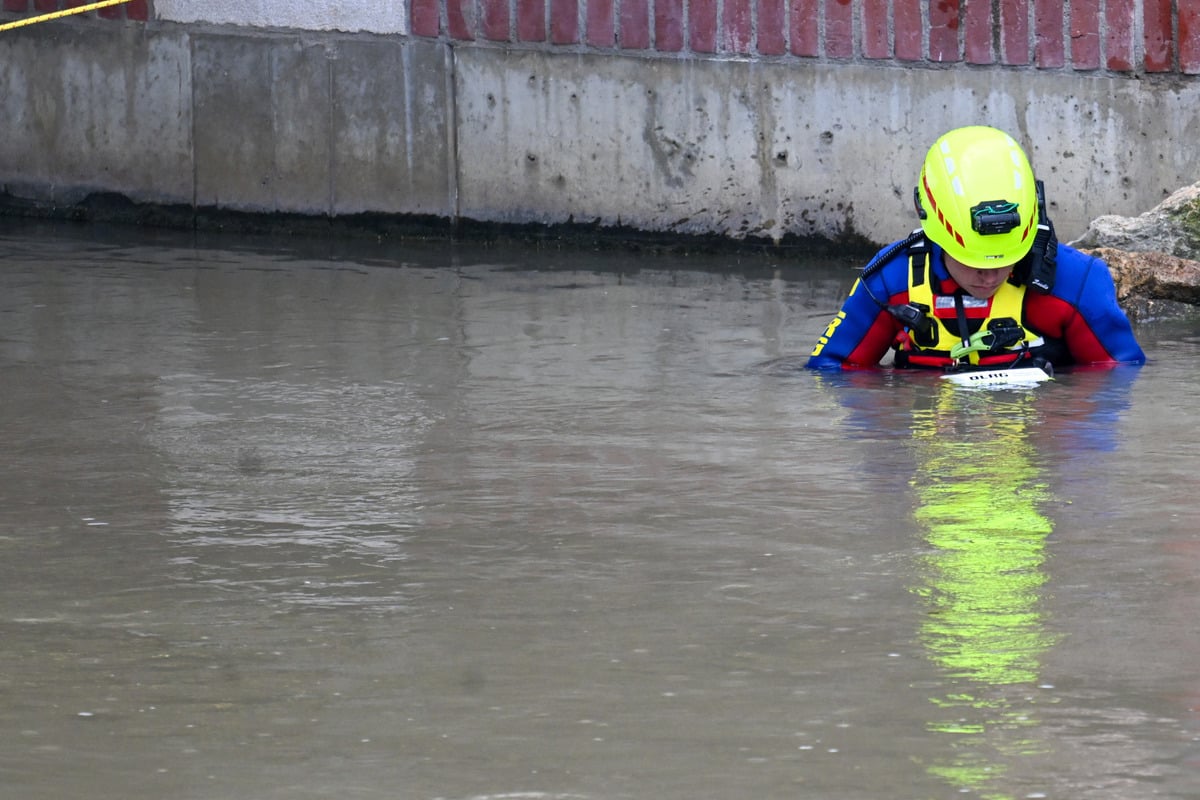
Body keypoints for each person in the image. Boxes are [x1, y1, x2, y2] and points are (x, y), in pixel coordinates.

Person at [806, 125, 1145, 372]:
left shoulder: (1078, 283)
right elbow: (831, 371)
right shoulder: (891, 279)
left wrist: (1057, 419)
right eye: (970, 260)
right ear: (934, 231)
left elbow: (1119, 377)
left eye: (1006, 259)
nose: (988, 275)